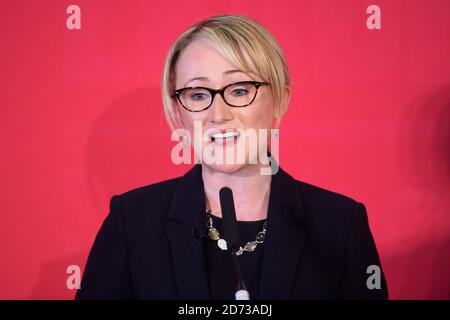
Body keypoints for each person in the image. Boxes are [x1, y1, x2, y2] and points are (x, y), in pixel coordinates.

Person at [76, 14, 388, 300]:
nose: (218, 114)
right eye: (198, 95)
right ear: (177, 112)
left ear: (281, 98)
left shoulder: (339, 225)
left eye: (239, 90)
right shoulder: (131, 222)